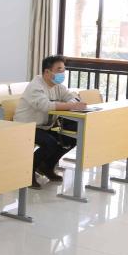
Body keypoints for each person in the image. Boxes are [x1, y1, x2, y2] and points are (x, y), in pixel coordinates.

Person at [13, 55, 86, 188]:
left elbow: (74, 97)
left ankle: (47, 167)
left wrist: (72, 103)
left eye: (63, 70)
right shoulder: (36, 86)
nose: (62, 73)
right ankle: (27, 173)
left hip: (45, 126)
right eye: (59, 70)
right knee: (50, 143)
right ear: (47, 72)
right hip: (26, 126)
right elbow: (45, 106)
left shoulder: (58, 86)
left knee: (70, 139)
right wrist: (71, 105)